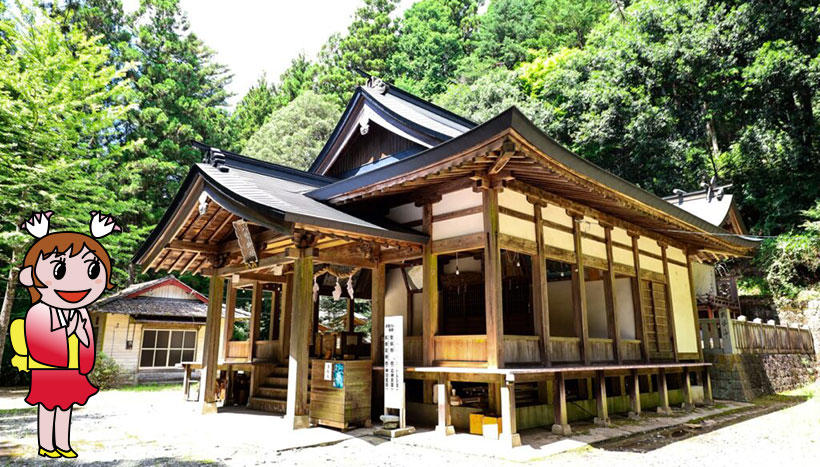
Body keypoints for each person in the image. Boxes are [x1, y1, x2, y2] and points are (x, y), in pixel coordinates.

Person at [12, 211, 119, 458]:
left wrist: (84, 362)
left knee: (66, 408)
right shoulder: (39, 311)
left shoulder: (80, 314)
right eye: (59, 271)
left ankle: (62, 442)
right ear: (31, 276)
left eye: (93, 271)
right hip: (49, 368)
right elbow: (38, 340)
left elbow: (87, 341)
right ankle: (46, 444)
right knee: (48, 407)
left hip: (71, 369)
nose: (76, 284)